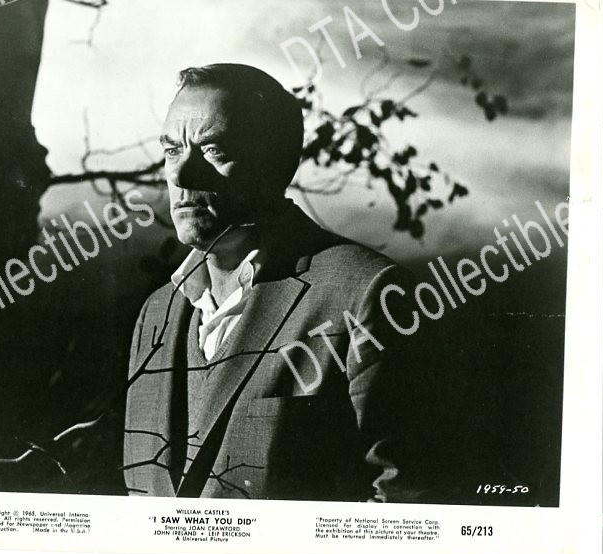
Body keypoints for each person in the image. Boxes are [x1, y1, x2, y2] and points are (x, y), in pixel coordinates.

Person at [123, 63, 425, 501]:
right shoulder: (156, 314)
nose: (180, 175)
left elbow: (406, 507)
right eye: (172, 150)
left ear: (276, 164)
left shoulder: (367, 294)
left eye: (212, 150)